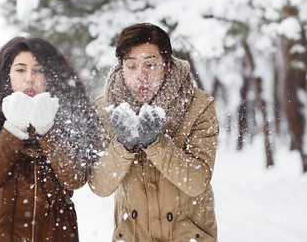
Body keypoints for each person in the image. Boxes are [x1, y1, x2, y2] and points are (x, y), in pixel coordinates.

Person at [0, 36, 100, 242]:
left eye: (39, 70)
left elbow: (74, 179)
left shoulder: (66, 111)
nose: (30, 78)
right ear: (8, 74)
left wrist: (48, 131)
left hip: (55, 234)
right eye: (21, 70)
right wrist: (12, 129)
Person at [90, 23, 219, 241]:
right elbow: (100, 185)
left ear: (167, 64)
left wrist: (156, 145)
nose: (141, 76)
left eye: (150, 65)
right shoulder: (106, 109)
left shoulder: (198, 105)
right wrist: (123, 146)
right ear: (122, 67)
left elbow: (197, 182)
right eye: (131, 66)